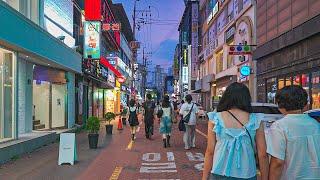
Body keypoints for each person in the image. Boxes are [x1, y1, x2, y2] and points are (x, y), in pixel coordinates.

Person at [202, 82, 269, 180]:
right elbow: (262, 154)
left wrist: (204, 177)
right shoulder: (255, 120)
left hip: (220, 172)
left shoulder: (215, 118)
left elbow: (210, 151)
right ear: (246, 98)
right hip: (247, 173)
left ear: (226, 98)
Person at [267, 85, 320, 179]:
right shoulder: (315, 124)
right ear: (304, 104)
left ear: (280, 104)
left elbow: (277, 162)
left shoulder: (279, 127)